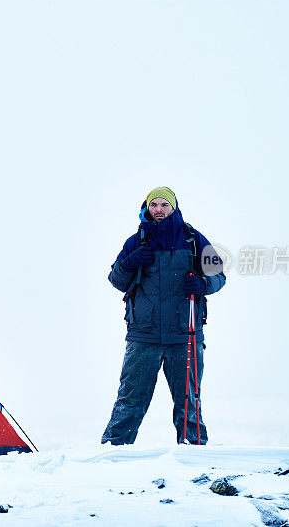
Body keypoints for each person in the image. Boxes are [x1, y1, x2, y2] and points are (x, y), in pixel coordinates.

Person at [101, 186, 226, 446]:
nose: (158, 209)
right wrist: (131, 261)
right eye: (154, 205)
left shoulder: (193, 239)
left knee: (188, 400)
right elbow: (116, 279)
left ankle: (194, 452)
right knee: (130, 399)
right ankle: (112, 453)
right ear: (147, 208)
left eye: (164, 205)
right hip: (143, 336)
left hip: (186, 335)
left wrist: (203, 285)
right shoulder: (136, 242)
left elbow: (219, 276)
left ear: (174, 207)